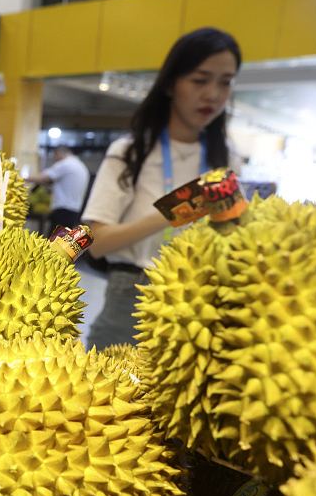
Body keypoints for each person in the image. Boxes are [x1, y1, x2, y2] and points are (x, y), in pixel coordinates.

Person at [82, 27, 242, 349]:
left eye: (225, 82)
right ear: (170, 84)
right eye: (200, 80)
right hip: (132, 292)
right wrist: (173, 211)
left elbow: (232, 236)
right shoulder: (130, 152)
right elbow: (94, 241)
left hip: (202, 299)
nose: (213, 94)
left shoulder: (228, 161)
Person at [25, 145, 90, 233]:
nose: (54, 160)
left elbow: (42, 177)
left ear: (59, 153)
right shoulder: (80, 165)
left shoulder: (66, 164)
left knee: (55, 242)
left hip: (63, 210)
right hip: (75, 210)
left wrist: (20, 178)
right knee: (64, 242)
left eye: (54, 157)